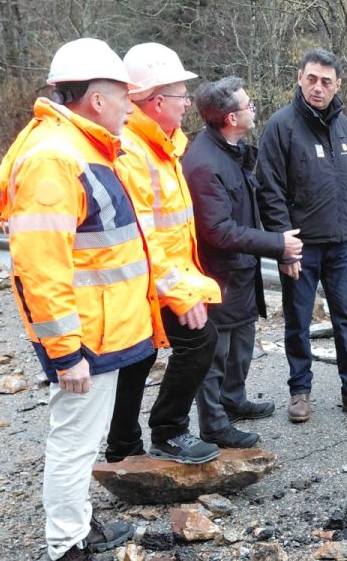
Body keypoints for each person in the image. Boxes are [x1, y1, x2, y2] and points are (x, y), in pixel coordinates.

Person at [0, 38, 158, 560]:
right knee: (75, 440)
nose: (132, 106)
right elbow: (41, 267)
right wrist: (66, 353)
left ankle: (78, 528)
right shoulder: (54, 160)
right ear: (95, 100)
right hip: (85, 335)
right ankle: (67, 544)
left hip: (102, 329)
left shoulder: (84, 148)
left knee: (83, 436)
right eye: (122, 95)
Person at [110, 42, 223, 464]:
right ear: (156, 101)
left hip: (156, 274)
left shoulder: (162, 144)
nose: (187, 104)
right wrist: (179, 292)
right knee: (195, 342)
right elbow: (146, 233)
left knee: (138, 358)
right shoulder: (135, 152)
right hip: (147, 277)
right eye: (180, 96)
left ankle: (124, 447)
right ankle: (168, 432)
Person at [257, 48, 347, 422]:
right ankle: (300, 392)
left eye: (326, 81)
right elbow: (270, 191)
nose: (318, 87)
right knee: (298, 321)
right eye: (311, 78)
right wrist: (286, 246)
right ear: (300, 78)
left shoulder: (344, 126)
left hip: (340, 244)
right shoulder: (281, 126)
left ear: (337, 85)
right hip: (301, 246)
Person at [183, 77, 303, 448]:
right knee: (215, 353)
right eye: (248, 104)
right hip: (218, 275)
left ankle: (233, 401)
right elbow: (218, 231)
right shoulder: (204, 163)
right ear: (232, 117)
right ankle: (214, 423)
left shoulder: (232, 150)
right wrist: (277, 245)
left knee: (242, 344)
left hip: (241, 271)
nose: (254, 108)